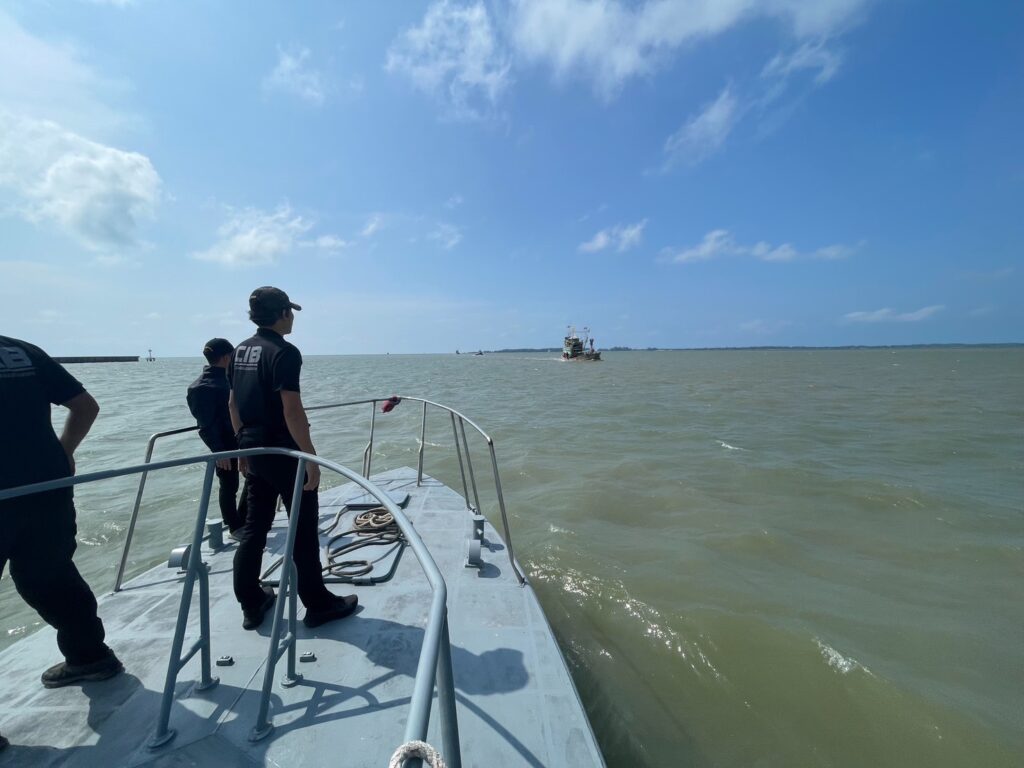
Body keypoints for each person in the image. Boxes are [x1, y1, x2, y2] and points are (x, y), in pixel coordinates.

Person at [228, 287, 358, 630]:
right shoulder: (285, 352)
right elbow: (292, 409)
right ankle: (318, 604)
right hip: (285, 453)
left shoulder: (240, 350)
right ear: (283, 313)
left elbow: (233, 404)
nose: (293, 319)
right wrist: (310, 457)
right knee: (302, 528)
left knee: (254, 528)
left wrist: (243, 448)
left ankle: (251, 603)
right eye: (291, 312)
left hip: (254, 450)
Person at [0, 336, 123, 693]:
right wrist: (63, 452)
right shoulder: (22, 351)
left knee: (45, 577)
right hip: (48, 486)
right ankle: (89, 656)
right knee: (51, 575)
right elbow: (86, 406)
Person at [187, 337, 247, 536]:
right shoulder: (200, 388)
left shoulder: (232, 379)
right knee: (229, 485)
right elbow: (205, 425)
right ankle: (234, 526)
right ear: (226, 357)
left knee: (255, 476)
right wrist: (219, 451)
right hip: (224, 443)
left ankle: (244, 517)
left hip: (245, 438)